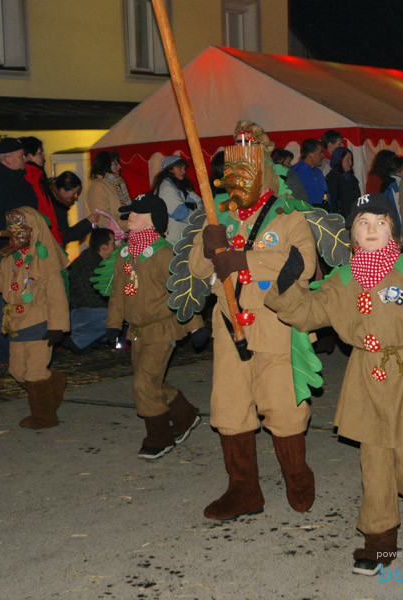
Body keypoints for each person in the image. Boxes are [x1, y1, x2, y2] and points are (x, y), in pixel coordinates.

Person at [265, 194, 403, 576]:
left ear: (394, 233)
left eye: (380, 222)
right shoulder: (342, 278)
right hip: (367, 375)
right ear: (352, 234)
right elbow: (307, 315)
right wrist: (286, 287)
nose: (371, 229)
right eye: (362, 222)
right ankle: (379, 540)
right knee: (375, 464)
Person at [188, 130, 318, 519]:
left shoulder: (288, 215)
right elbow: (196, 269)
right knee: (228, 407)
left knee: (283, 407)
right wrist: (209, 247)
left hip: (276, 326)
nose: (236, 183)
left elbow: (304, 265)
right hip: (228, 327)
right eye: (231, 175)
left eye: (244, 174)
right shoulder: (217, 217)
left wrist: (245, 262)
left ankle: (297, 478)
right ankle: (244, 490)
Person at [102, 194, 204, 459]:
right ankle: (186, 415)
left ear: (153, 220)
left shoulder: (163, 254)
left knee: (144, 384)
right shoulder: (125, 253)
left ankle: (159, 437)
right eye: (130, 212)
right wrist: (113, 324)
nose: (130, 216)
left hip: (162, 328)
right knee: (151, 381)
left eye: (137, 213)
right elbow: (117, 293)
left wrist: (196, 326)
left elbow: (181, 291)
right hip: (137, 330)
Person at [0, 207, 69, 428]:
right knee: (17, 371)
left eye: (20, 229)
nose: (14, 233)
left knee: (35, 371)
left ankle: (44, 416)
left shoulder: (44, 260)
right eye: (11, 229)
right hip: (16, 322)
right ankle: (53, 385)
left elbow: (57, 295)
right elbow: (4, 285)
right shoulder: (10, 258)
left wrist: (58, 326)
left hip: (39, 321)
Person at [0, 137, 37, 378]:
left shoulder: (19, 181)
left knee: (23, 304)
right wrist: (9, 241)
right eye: (21, 155)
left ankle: (18, 353)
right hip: (5, 252)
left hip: (25, 250)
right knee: (4, 305)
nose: (25, 159)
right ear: (7, 158)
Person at [65, 227, 114, 353]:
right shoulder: (91, 264)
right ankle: (77, 340)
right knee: (113, 316)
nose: (116, 246)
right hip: (76, 315)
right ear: (104, 247)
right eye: (113, 243)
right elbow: (93, 300)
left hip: (79, 312)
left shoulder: (91, 259)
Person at [19, 137, 64, 245]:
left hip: (46, 238)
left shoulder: (38, 177)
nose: (43, 156)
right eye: (39, 153)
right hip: (42, 241)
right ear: (29, 156)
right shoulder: (31, 178)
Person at [152, 155, 202, 245]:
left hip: (181, 238)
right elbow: (181, 213)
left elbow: (201, 204)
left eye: (184, 168)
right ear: (170, 169)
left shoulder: (180, 187)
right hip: (171, 241)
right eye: (179, 168)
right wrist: (198, 216)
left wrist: (192, 207)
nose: (183, 171)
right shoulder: (165, 188)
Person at [84, 150, 130, 235]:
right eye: (115, 164)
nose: (119, 167)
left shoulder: (118, 183)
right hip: (109, 237)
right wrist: (131, 224)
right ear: (105, 166)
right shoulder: (97, 185)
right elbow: (103, 220)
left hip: (123, 232)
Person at [49, 171, 101, 246]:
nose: (76, 197)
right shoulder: (57, 208)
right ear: (62, 191)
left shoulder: (55, 202)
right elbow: (66, 236)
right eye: (74, 193)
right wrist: (88, 222)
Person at [290, 138, 329, 208]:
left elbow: (326, 194)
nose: (323, 156)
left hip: (322, 215)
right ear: (310, 155)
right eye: (320, 152)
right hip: (304, 215)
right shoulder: (294, 173)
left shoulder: (318, 173)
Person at [325, 146, 361, 217]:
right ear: (339, 161)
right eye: (347, 160)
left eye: (351, 159)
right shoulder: (332, 179)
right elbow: (331, 202)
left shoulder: (352, 178)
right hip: (341, 218)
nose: (350, 163)